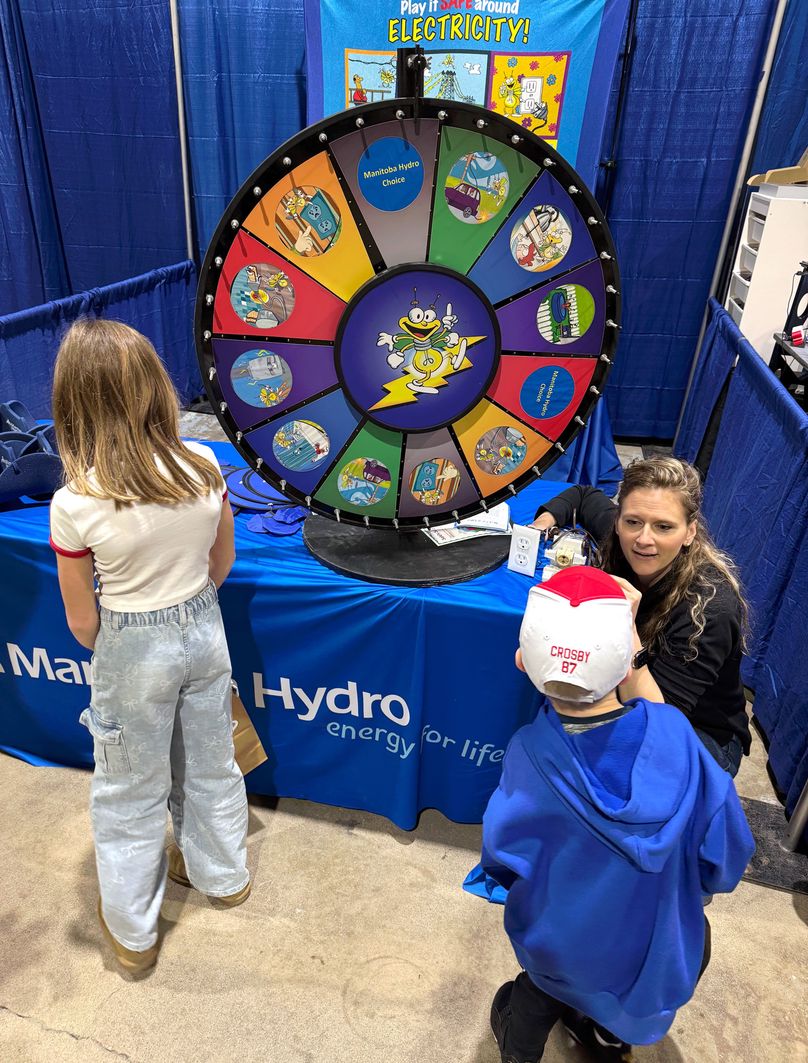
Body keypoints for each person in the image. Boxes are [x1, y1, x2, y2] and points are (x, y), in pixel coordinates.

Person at [482, 566, 754, 1062]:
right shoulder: (677, 736)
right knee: (630, 985)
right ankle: (607, 1037)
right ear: (629, 664)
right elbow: (729, 855)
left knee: (536, 994)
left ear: (524, 661)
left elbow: (502, 856)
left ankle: (518, 1051)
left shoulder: (528, 754)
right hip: (654, 951)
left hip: (561, 950)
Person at [49, 318, 250, 976]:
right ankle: (224, 876)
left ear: (75, 399)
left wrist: (127, 648)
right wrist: (188, 605)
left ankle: (135, 932)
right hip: (204, 626)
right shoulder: (204, 463)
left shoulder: (76, 501)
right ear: (153, 385)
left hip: (131, 642)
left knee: (129, 790)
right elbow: (223, 560)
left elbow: (82, 621)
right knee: (211, 762)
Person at [531, 457, 750, 776]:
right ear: (619, 520)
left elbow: (656, 728)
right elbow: (581, 495)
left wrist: (628, 631)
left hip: (700, 736)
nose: (644, 539)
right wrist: (542, 526)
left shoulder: (709, 608)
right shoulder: (626, 535)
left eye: (664, 527)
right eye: (632, 522)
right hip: (633, 697)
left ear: (689, 532)